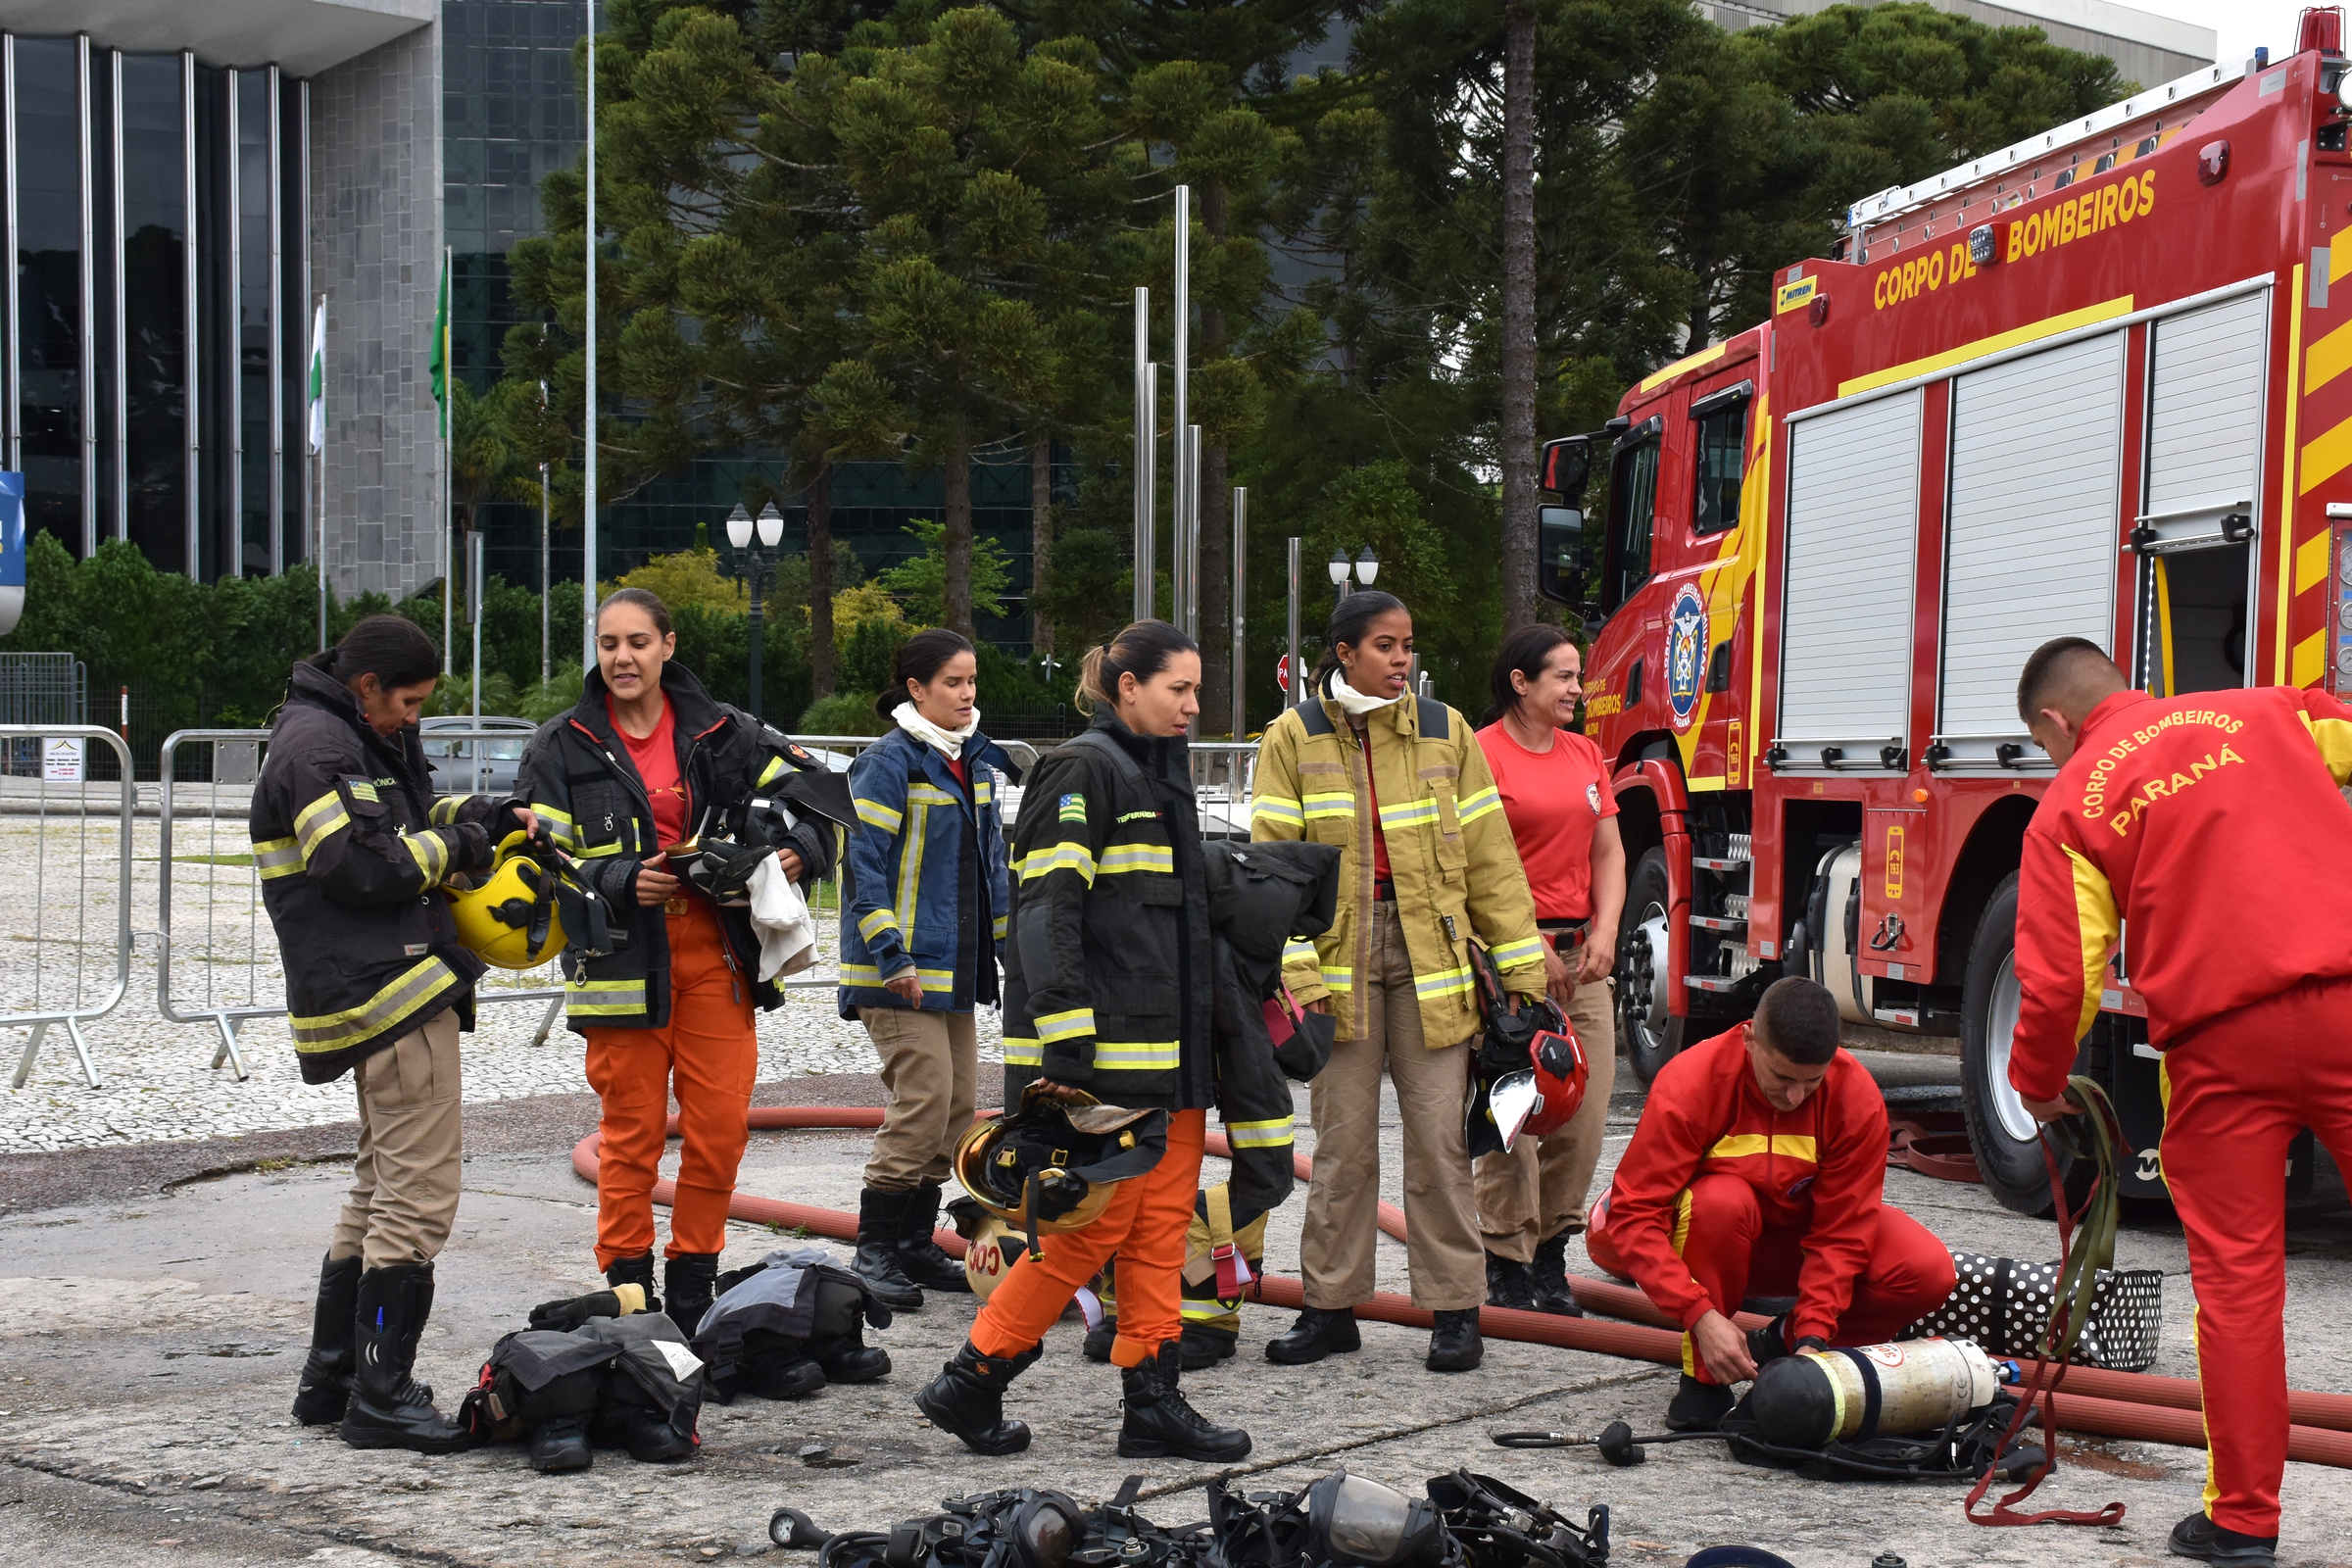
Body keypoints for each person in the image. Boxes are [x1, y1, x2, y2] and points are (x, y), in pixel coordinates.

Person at [2007, 637, 2352, 1568]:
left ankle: (2242, 1523)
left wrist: (2039, 1086)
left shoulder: (2070, 805)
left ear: (2055, 722)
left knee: (2239, 1287)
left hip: (2219, 1051)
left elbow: (2060, 983)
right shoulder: (2271, 711)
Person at [913, 620, 1252, 1463]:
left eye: (1198, 690)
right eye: (1178, 689)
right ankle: (974, 1376)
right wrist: (1064, 1047)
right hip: (1108, 1068)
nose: (1193, 705)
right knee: (1091, 1233)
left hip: (1170, 1064)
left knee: (1160, 1229)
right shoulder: (1083, 770)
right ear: (1127, 687)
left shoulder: (1159, 773)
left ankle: (1152, 1402)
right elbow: (1046, 912)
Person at [518, 587, 837, 1336]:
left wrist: (800, 851)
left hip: (715, 960)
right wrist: (619, 879)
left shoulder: (723, 731)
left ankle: (694, 1285)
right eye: (609, 644)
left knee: (719, 1131)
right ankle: (631, 1292)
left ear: (667, 645)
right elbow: (535, 863)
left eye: (637, 642)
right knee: (630, 1139)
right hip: (619, 965)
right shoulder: (561, 745)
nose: (622, 657)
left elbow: (823, 793)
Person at [1250, 590, 1549, 1373]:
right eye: (1385, 646)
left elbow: (1491, 862)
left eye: (1407, 646)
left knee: (1442, 1146)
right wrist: (1297, 972)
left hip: (1434, 964)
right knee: (1342, 1148)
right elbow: (1273, 870)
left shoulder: (1447, 732)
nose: (1402, 659)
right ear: (1345, 653)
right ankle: (1329, 1309)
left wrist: (1521, 974)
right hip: (1336, 969)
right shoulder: (1292, 736)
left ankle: (1456, 1312)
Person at [261, 615, 531, 1451]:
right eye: (409, 703)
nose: (414, 718)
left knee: (377, 1191)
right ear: (368, 684)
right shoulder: (321, 746)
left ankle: (335, 1379)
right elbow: (364, 864)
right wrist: (467, 843)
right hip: (390, 993)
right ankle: (381, 1393)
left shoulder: (343, 733)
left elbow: (402, 816)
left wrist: (484, 813)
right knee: (415, 1200)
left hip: (371, 987)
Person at [1584, 976, 1955, 1432]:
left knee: (1927, 1270)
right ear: (1749, 1039)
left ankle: (1782, 1343)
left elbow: (1843, 1232)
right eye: (1782, 1077)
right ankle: (1705, 1377)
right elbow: (1634, 1215)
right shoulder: (1691, 1083)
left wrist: (1813, 1337)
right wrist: (1700, 1316)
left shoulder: (1855, 1098)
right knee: (1720, 1202)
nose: (1796, 1096)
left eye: (1812, 1081)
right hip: (1717, 1246)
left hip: (1800, 1248)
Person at [838, 628, 1015, 1310]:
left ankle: (912, 1244)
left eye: (972, 682)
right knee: (922, 1102)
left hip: (952, 972)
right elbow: (864, 865)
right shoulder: (889, 762)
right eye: (952, 683)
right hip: (897, 971)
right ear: (915, 689)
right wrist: (891, 952)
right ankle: (873, 1251)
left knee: (955, 1111)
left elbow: (992, 870)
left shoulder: (973, 760)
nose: (967, 695)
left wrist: (1009, 953)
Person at [1473, 626, 1624, 1316]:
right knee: (1515, 1112)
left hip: (1581, 958)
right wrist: (1520, 940)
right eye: (1563, 676)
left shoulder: (1585, 754)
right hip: (1509, 959)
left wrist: (1607, 930)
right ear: (1520, 682)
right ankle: (1506, 1259)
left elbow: (1608, 853)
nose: (1576, 689)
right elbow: (1471, 866)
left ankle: (1551, 1253)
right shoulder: (1481, 754)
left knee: (1582, 1115)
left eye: (1577, 676)